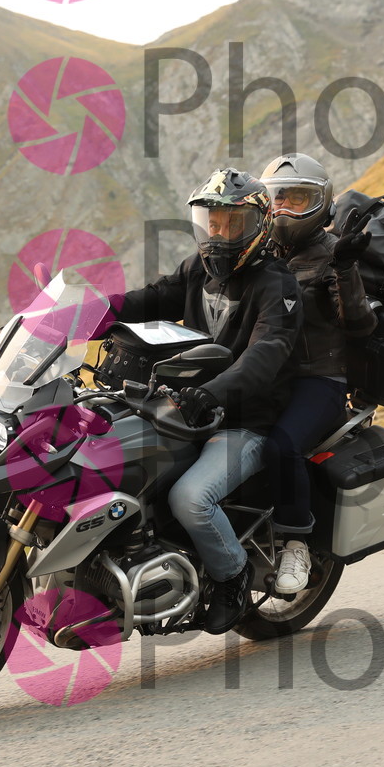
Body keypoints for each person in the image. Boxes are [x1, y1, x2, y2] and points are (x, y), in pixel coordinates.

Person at [110, 168, 304, 633]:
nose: (218, 235)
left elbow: (264, 355)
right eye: (211, 223)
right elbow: (149, 299)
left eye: (231, 224)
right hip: (184, 410)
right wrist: (82, 314)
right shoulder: (198, 269)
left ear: (258, 225)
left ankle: (232, 577)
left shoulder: (277, 285)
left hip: (243, 422)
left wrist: (210, 393)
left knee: (191, 498)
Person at [257, 153, 376, 594]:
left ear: (320, 203)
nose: (285, 209)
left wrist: (345, 269)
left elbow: (359, 324)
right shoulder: (259, 249)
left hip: (318, 378)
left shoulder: (331, 255)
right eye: (278, 199)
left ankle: (296, 543)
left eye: (297, 199)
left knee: (282, 445)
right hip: (263, 373)